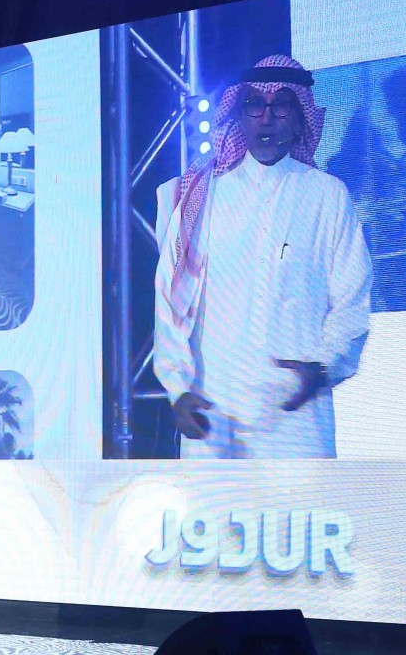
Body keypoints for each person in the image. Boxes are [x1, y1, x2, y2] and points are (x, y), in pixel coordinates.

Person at [153, 55, 372, 459]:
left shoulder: (327, 195)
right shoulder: (202, 195)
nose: (266, 118)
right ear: (239, 115)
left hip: (296, 416)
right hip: (213, 412)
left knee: (306, 502)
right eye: (254, 104)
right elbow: (170, 298)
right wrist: (178, 387)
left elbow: (351, 299)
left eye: (281, 105)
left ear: (300, 118)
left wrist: (325, 366)